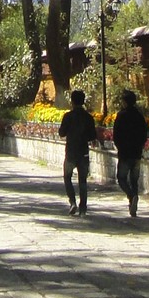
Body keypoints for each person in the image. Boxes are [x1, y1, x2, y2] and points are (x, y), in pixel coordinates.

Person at [59, 88, 97, 216]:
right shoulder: (88, 117)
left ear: (72, 101)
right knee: (82, 181)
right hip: (83, 152)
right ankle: (83, 208)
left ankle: (72, 202)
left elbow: (61, 133)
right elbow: (93, 135)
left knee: (67, 177)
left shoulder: (68, 116)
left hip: (71, 151)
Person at [112, 90, 149, 219]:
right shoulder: (139, 116)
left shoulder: (121, 116)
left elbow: (116, 134)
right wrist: (140, 146)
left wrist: (120, 147)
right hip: (136, 153)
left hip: (125, 153)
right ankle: (133, 204)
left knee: (121, 178)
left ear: (125, 102)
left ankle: (131, 196)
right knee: (134, 181)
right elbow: (144, 134)